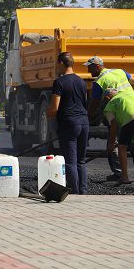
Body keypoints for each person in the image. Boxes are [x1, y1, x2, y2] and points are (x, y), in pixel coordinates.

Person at [84, 56, 134, 182]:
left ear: (97, 66)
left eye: (90, 67)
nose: (88, 71)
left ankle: (119, 172)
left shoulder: (99, 82)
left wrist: (87, 117)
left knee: (114, 140)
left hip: (116, 111)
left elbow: (95, 103)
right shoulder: (120, 71)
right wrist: (132, 95)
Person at [47, 52, 89, 194]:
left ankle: (74, 192)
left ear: (61, 63)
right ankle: (83, 191)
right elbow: (84, 103)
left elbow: (54, 108)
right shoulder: (81, 81)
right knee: (81, 161)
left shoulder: (59, 82)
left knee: (70, 161)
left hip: (69, 123)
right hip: (84, 123)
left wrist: (48, 114)